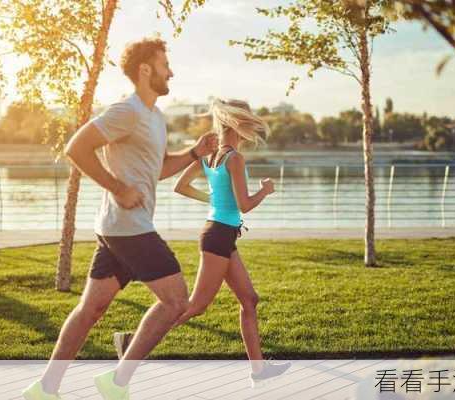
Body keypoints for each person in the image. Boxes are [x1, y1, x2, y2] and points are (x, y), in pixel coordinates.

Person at [22, 37, 217, 400]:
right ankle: (116, 382)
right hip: (130, 228)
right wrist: (116, 187)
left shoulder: (155, 116)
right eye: (164, 65)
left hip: (117, 227)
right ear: (145, 70)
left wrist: (194, 153)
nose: (170, 71)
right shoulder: (125, 110)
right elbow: (76, 147)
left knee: (90, 309)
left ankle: (44, 389)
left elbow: (155, 169)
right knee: (175, 301)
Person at [114, 98, 291, 388]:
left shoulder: (208, 156)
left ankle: (258, 370)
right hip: (219, 235)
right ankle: (132, 342)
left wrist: (213, 200)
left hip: (220, 233)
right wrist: (266, 191)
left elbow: (180, 186)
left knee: (249, 299)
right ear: (237, 123)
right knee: (195, 305)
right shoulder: (234, 158)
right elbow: (245, 205)